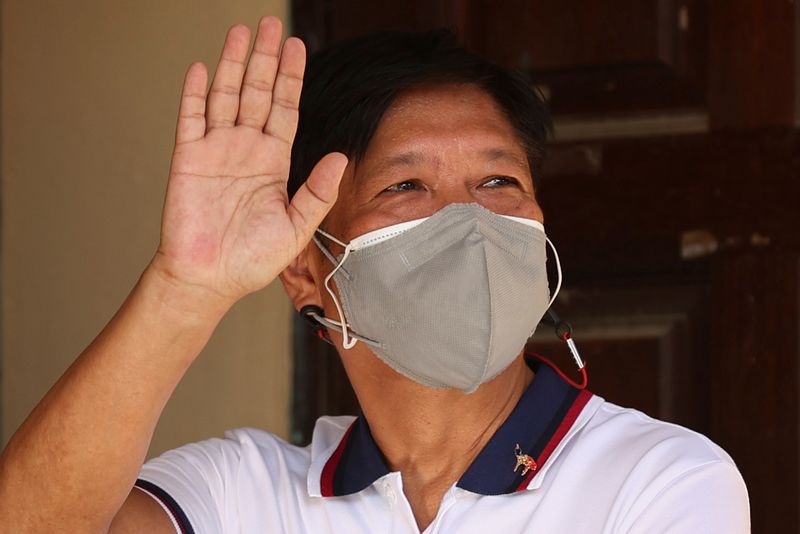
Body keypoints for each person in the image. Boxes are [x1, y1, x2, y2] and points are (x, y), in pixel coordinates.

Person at [0, 16, 749, 533]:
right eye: (405, 188)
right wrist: (187, 287)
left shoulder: (660, 479)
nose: (470, 221)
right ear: (306, 270)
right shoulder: (244, 491)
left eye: (498, 184)